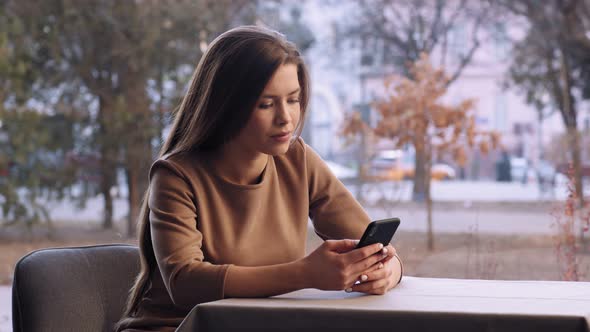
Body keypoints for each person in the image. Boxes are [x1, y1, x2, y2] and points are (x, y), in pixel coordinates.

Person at [115, 25, 403, 332]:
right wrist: (306, 274)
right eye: (266, 104)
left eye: (293, 99)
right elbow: (185, 282)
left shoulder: (298, 160)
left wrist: (389, 271)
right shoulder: (176, 176)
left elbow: (370, 244)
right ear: (225, 105)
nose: (286, 118)